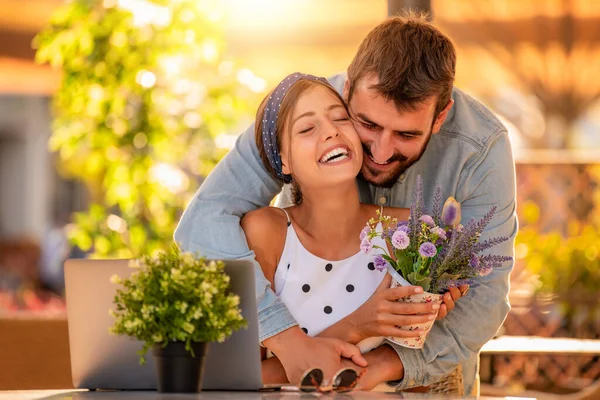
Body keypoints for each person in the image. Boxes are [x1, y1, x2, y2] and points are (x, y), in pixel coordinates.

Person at [175, 11, 517, 395]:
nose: (381, 151)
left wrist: (383, 362)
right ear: (348, 88)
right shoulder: (303, 111)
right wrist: (287, 339)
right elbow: (203, 222)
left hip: (425, 376)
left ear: (440, 117)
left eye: (405, 133)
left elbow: (485, 296)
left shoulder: (480, 147)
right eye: (367, 124)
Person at [240, 72, 445, 385]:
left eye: (341, 119)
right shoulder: (267, 232)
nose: (331, 132)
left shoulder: (406, 230)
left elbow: (415, 369)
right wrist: (358, 326)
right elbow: (241, 377)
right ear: (283, 161)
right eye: (308, 128)